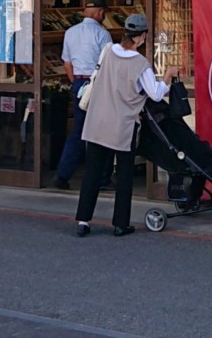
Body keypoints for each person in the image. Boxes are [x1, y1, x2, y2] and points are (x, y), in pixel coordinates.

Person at [74, 13, 178, 237]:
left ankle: (83, 220)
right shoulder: (140, 64)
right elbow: (156, 94)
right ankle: (120, 223)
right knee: (123, 174)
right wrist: (168, 77)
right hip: (123, 124)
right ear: (141, 37)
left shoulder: (108, 51)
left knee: (91, 171)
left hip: (97, 120)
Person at [51, 0, 112, 190]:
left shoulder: (70, 32)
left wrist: (76, 84)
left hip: (78, 82)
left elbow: (67, 63)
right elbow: (108, 65)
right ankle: (102, 178)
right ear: (101, 12)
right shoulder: (103, 35)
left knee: (79, 131)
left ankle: (62, 175)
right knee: (104, 132)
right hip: (98, 84)